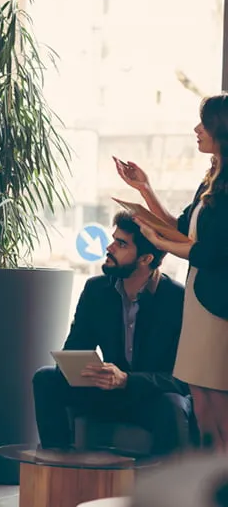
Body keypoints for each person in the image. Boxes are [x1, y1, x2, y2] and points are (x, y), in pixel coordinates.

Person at [115, 93, 228, 451]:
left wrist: (158, 242)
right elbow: (180, 226)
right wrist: (144, 188)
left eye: (204, 123)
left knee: (219, 400)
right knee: (200, 395)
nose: (197, 129)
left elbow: (207, 252)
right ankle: (211, 482)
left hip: (219, 304)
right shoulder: (212, 180)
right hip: (200, 300)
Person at [32, 211, 192, 456]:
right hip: (106, 392)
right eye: (113, 239)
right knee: (46, 379)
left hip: (149, 396)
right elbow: (75, 349)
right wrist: (89, 369)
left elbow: (183, 381)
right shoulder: (97, 289)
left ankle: (164, 489)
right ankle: (59, 469)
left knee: (172, 405)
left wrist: (126, 380)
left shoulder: (177, 299)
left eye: (121, 244)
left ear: (145, 259)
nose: (109, 247)